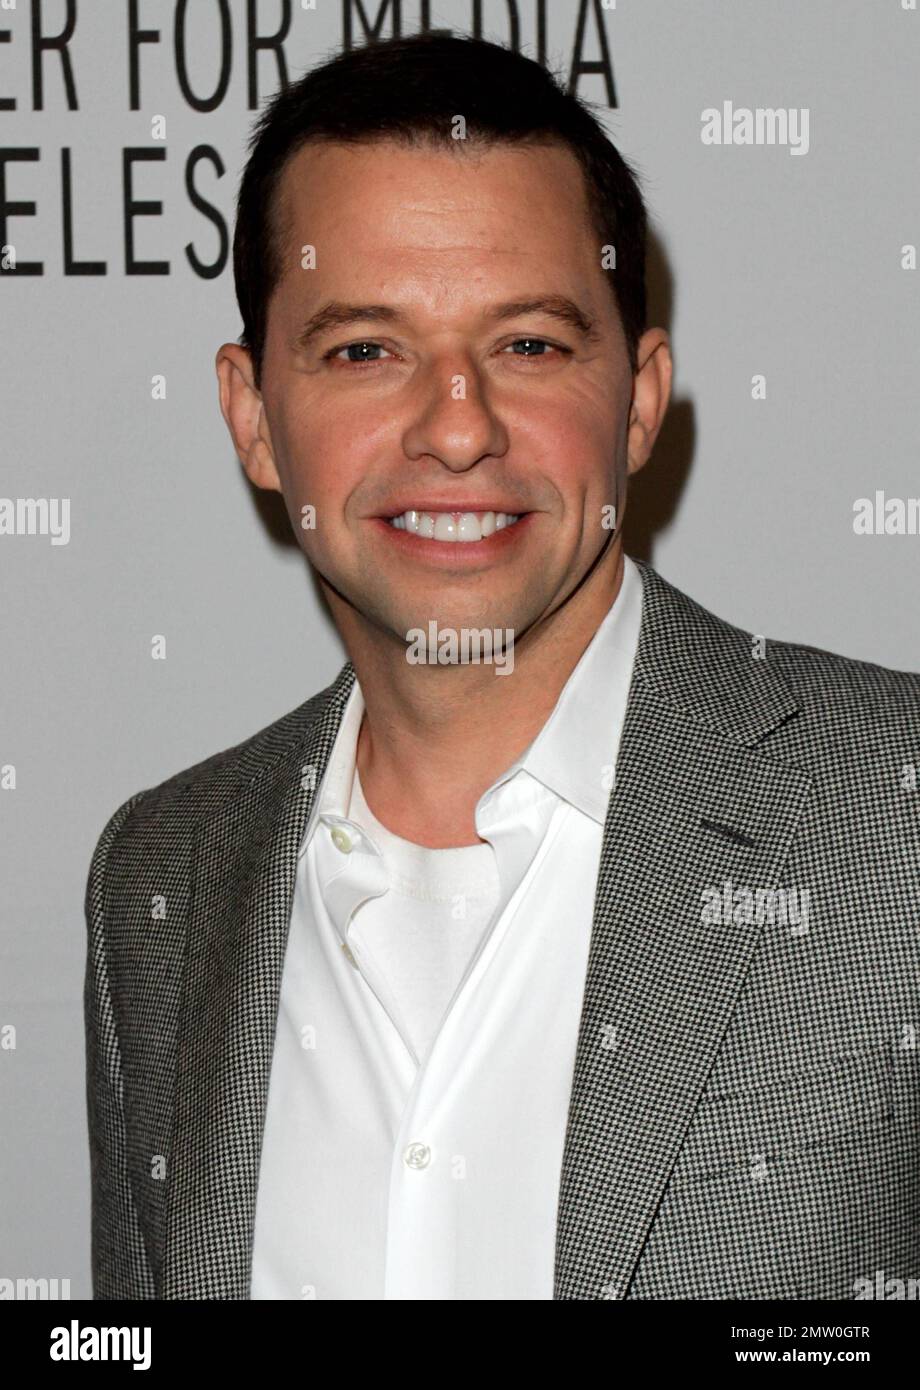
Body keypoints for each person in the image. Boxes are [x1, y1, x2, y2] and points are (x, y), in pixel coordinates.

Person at [84, 32, 920, 1301]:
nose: (458, 425)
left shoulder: (892, 811)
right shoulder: (159, 873)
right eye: (365, 349)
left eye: (528, 344)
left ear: (637, 398)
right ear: (254, 417)